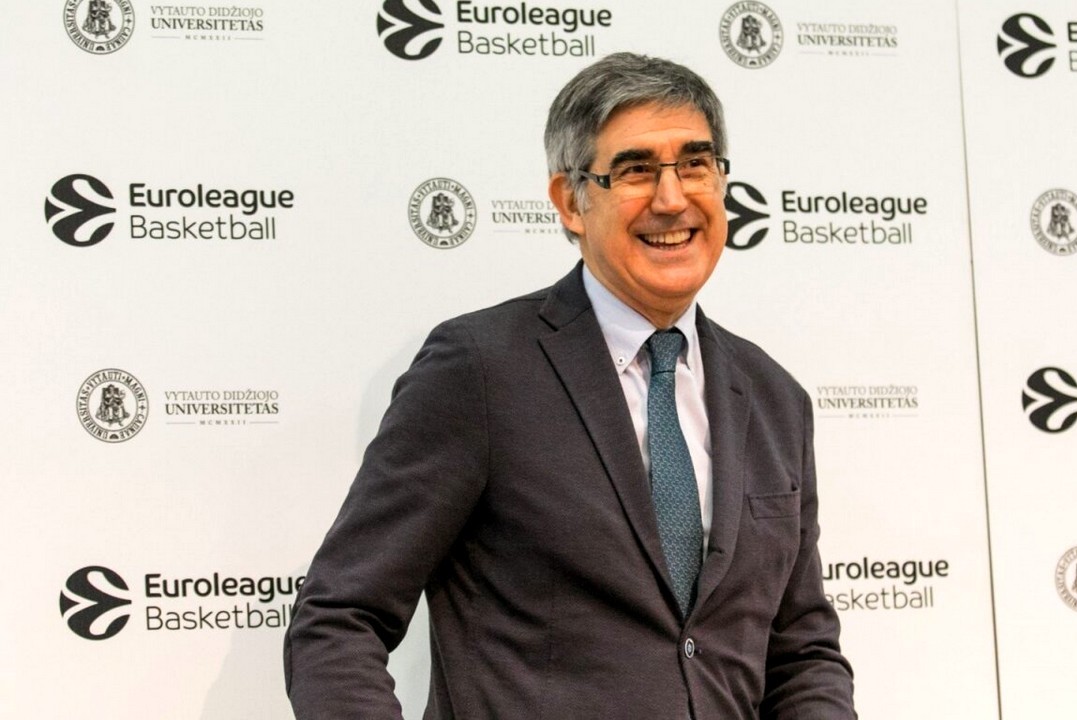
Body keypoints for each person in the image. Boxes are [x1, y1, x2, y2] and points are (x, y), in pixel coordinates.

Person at [284, 52, 856, 719]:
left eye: (695, 164)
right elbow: (339, 618)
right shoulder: (479, 370)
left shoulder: (774, 397)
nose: (672, 199)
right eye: (635, 170)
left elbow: (802, 653)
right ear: (571, 201)